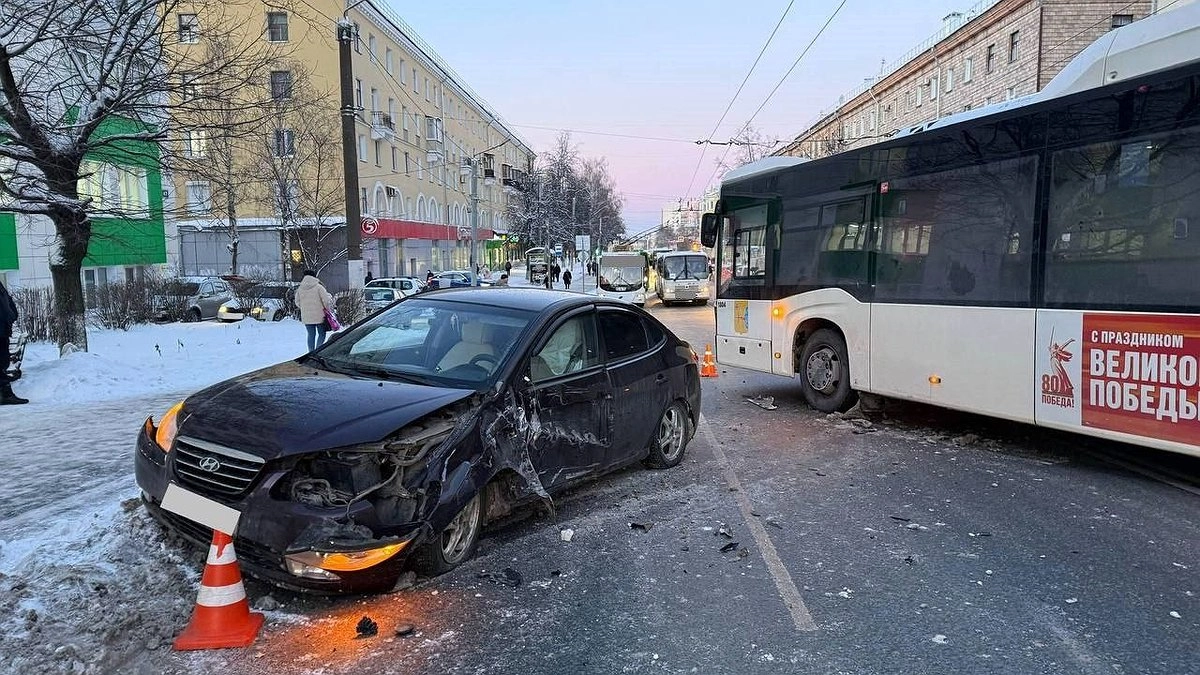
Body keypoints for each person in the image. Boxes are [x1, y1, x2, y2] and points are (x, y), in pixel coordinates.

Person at [0, 279, 27, 405]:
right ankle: (5, 394)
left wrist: (12, 315)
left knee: (3, 360)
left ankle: (5, 392)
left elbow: (7, 301)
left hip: (3, 329)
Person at [296, 270, 335, 352]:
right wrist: (326, 309)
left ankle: (310, 352)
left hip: (306, 316)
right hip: (320, 316)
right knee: (321, 334)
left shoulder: (300, 289)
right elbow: (326, 301)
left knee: (311, 335)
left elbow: (297, 302)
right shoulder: (319, 287)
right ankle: (318, 351)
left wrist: (304, 309)